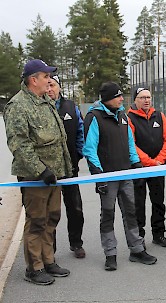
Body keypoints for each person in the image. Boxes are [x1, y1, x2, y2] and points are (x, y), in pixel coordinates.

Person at [4, 59, 72, 285]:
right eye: (46, 76)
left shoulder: (46, 101)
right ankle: (34, 267)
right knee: (37, 221)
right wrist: (41, 170)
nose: (49, 81)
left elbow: (59, 138)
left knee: (52, 218)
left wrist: (65, 168)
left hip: (54, 174)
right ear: (34, 80)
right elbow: (19, 144)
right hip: (36, 176)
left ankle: (48, 260)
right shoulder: (18, 106)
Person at [83, 81, 157, 271]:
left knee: (131, 213)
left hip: (126, 175)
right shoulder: (94, 117)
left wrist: (136, 165)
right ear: (108, 99)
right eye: (118, 96)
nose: (122, 99)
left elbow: (130, 143)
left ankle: (137, 249)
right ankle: (110, 253)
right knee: (108, 215)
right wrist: (98, 176)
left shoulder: (123, 116)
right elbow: (90, 149)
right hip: (107, 176)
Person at [127, 87, 166, 248]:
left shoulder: (159, 116)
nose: (146, 100)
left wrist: (160, 160)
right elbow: (131, 144)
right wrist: (150, 162)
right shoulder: (129, 117)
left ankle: (159, 234)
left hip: (158, 167)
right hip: (140, 168)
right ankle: (139, 236)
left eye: (148, 97)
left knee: (158, 201)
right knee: (138, 203)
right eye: (142, 97)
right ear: (135, 100)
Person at [48, 75, 86, 259]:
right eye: (46, 85)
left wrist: (78, 155)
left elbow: (81, 132)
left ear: (59, 88)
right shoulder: (40, 108)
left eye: (53, 85)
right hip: (48, 172)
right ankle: (50, 250)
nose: (49, 89)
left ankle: (76, 243)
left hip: (71, 168)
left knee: (75, 207)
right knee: (50, 212)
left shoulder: (71, 107)